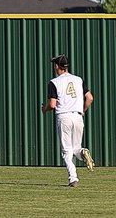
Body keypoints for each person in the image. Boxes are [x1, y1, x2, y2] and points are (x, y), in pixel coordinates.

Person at [41, 54, 95, 187]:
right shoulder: (78, 80)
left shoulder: (54, 82)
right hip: (77, 116)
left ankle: (73, 178)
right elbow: (90, 98)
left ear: (56, 67)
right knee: (76, 148)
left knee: (66, 151)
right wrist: (83, 110)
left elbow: (53, 104)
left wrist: (44, 109)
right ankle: (83, 153)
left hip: (64, 116)